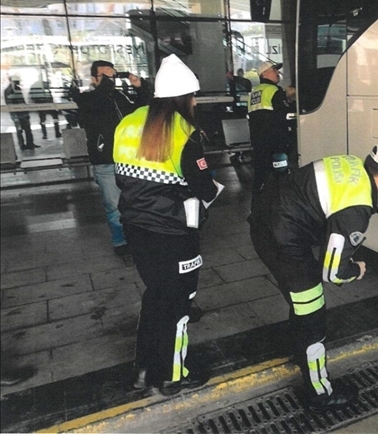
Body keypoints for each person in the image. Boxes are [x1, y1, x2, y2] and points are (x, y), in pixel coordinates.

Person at [248, 137, 378, 411]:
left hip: (269, 217)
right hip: (280, 238)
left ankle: (303, 352)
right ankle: (320, 395)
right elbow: (333, 272)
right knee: (313, 317)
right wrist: (356, 269)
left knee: (304, 307)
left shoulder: (353, 164)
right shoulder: (357, 206)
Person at [113, 54, 223, 396]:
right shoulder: (184, 132)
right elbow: (205, 187)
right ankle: (174, 375)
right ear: (183, 97)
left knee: (156, 296)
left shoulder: (128, 122)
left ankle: (144, 369)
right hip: (174, 233)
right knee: (178, 303)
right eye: (193, 97)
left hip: (135, 227)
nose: (194, 102)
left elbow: (121, 177)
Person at [70, 60, 151, 257]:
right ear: (94, 79)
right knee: (114, 205)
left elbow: (143, 110)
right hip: (105, 160)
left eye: (111, 76)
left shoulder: (120, 97)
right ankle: (120, 241)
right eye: (105, 76)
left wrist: (141, 89)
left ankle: (138, 238)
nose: (110, 80)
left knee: (137, 202)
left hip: (130, 159)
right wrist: (105, 86)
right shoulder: (87, 98)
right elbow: (90, 113)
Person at [247, 61, 293, 201]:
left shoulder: (254, 93)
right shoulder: (274, 91)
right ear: (264, 73)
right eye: (274, 70)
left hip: (258, 143)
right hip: (276, 143)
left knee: (260, 176)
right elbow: (286, 114)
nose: (277, 73)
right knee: (281, 176)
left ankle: (258, 208)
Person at [4, 76, 39, 150]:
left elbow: (22, 101)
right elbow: (10, 104)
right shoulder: (9, 90)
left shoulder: (16, 89)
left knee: (27, 129)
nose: (19, 82)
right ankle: (23, 145)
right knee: (20, 130)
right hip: (17, 113)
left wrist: (26, 110)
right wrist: (15, 116)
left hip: (22, 113)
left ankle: (29, 144)